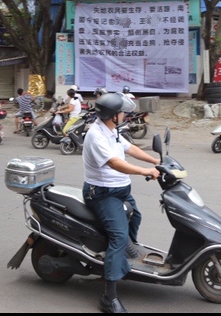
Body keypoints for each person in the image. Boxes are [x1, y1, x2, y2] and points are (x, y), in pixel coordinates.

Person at [82, 92, 160, 314]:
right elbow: (115, 163)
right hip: (102, 193)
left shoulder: (112, 130)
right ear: (112, 115)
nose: (125, 114)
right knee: (118, 236)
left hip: (119, 191)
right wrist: (145, 171)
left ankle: (124, 258)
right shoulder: (96, 136)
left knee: (135, 216)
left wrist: (156, 160)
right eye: (121, 112)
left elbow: (128, 148)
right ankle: (109, 297)